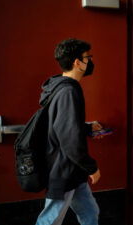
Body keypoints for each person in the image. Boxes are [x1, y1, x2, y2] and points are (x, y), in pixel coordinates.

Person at [35, 38, 102, 225]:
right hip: (64, 168)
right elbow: (70, 139)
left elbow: (59, 125)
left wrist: (87, 127)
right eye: (87, 57)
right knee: (50, 220)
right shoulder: (68, 92)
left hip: (72, 169)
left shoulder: (58, 87)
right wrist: (92, 167)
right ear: (77, 62)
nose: (90, 61)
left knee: (90, 213)